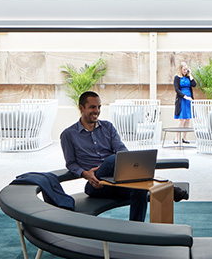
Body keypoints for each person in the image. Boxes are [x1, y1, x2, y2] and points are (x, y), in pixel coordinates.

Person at [61, 92, 189, 222]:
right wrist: (85, 174)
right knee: (113, 159)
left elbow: (121, 150)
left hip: (118, 181)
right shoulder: (68, 134)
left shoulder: (108, 127)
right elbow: (71, 163)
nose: (97, 111)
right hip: (96, 184)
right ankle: (172, 189)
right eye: (92, 107)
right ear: (81, 108)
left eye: (99, 107)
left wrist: (128, 164)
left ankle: (135, 229)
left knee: (139, 189)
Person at [173, 61, 197, 144]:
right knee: (182, 119)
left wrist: (190, 75)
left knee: (187, 119)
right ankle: (176, 137)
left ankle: (184, 137)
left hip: (189, 99)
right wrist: (185, 97)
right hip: (182, 99)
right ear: (180, 69)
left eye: (186, 69)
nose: (185, 71)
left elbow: (194, 84)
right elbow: (177, 89)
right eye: (184, 69)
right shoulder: (177, 77)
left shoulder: (188, 77)